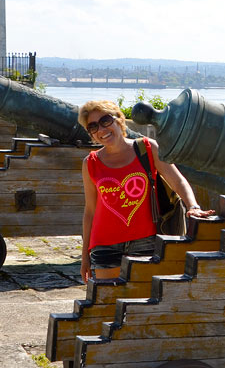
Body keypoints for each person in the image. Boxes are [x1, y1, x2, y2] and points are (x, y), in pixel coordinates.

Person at [78, 100, 216, 282]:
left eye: (105, 121)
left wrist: (193, 206)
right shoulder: (91, 163)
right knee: (108, 301)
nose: (101, 130)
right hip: (105, 244)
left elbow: (178, 180)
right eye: (93, 127)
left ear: (119, 120)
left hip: (146, 239)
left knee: (142, 298)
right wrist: (85, 256)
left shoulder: (147, 149)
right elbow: (90, 211)